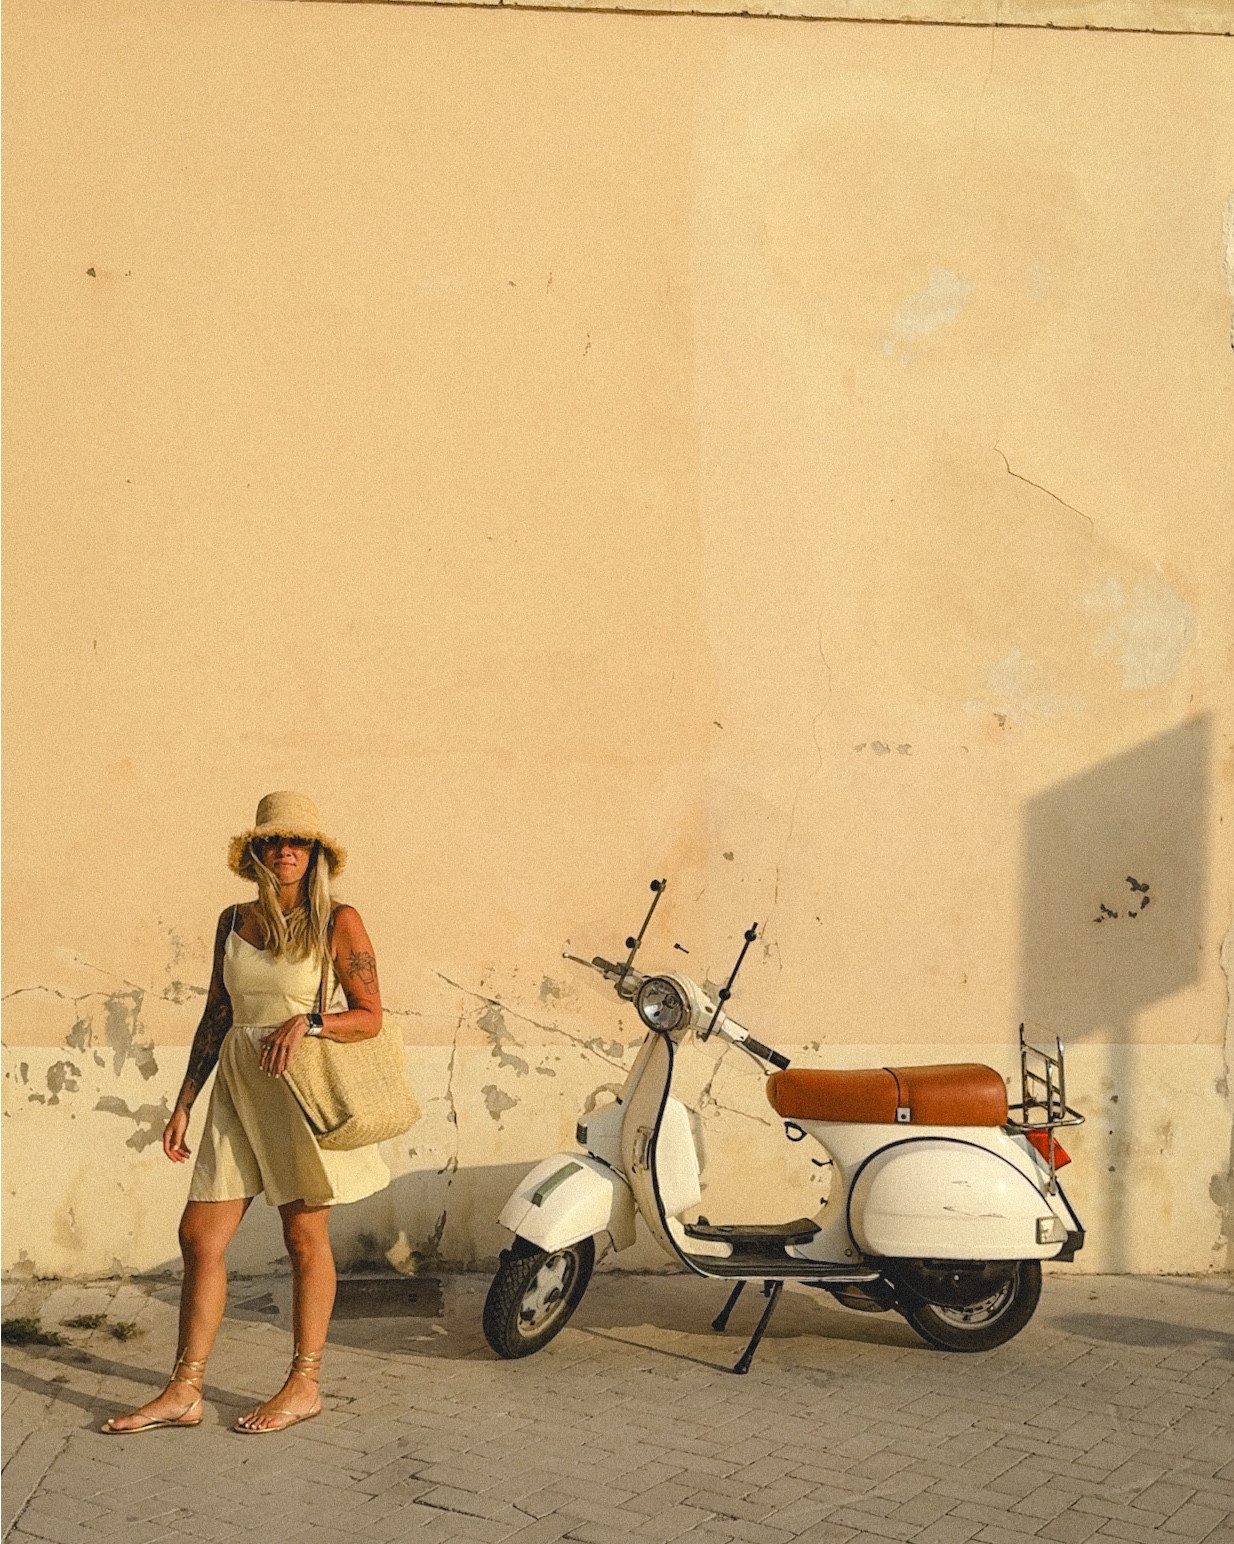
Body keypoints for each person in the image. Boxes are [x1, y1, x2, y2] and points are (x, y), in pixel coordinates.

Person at [102, 792, 389, 1435]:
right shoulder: (233, 920)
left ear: (315, 854)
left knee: (303, 1238)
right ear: (256, 851)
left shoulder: (339, 921)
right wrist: (183, 1102)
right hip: (236, 1084)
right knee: (199, 1238)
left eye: (298, 843)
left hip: (298, 1089)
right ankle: (184, 1390)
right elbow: (217, 1014)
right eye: (272, 841)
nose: (285, 851)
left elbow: (370, 1017)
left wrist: (310, 1020)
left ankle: (305, 1382)